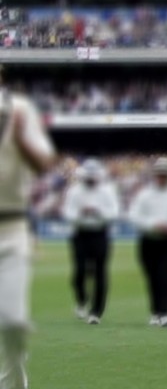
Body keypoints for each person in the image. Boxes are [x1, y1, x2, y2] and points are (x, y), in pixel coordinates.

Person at [0, 71, 57, 389]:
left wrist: (21, 140)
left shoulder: (20, 109)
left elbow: (45, 164)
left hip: (11, 228)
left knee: (12, 321)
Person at [128, 156, 167, 327]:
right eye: (160, 174)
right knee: (152, 278)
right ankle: (155, 312)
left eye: (165, 174)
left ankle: (165, 313)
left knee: (165, 276)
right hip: (148, 241)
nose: (162, 178)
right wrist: (153, 225)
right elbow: (134, 215)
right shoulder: (144, 194)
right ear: (155, 175)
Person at [61, 158, 120, 325]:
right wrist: (81, 213)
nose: (90, 179)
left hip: (100, 234)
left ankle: (96, 311)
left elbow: (114, 213)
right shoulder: (74, 191)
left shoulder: (107, 191)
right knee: (79, 271)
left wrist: (97, 212)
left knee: (100, 272)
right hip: (80, 234)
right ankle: (81, 300)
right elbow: (68, 214)